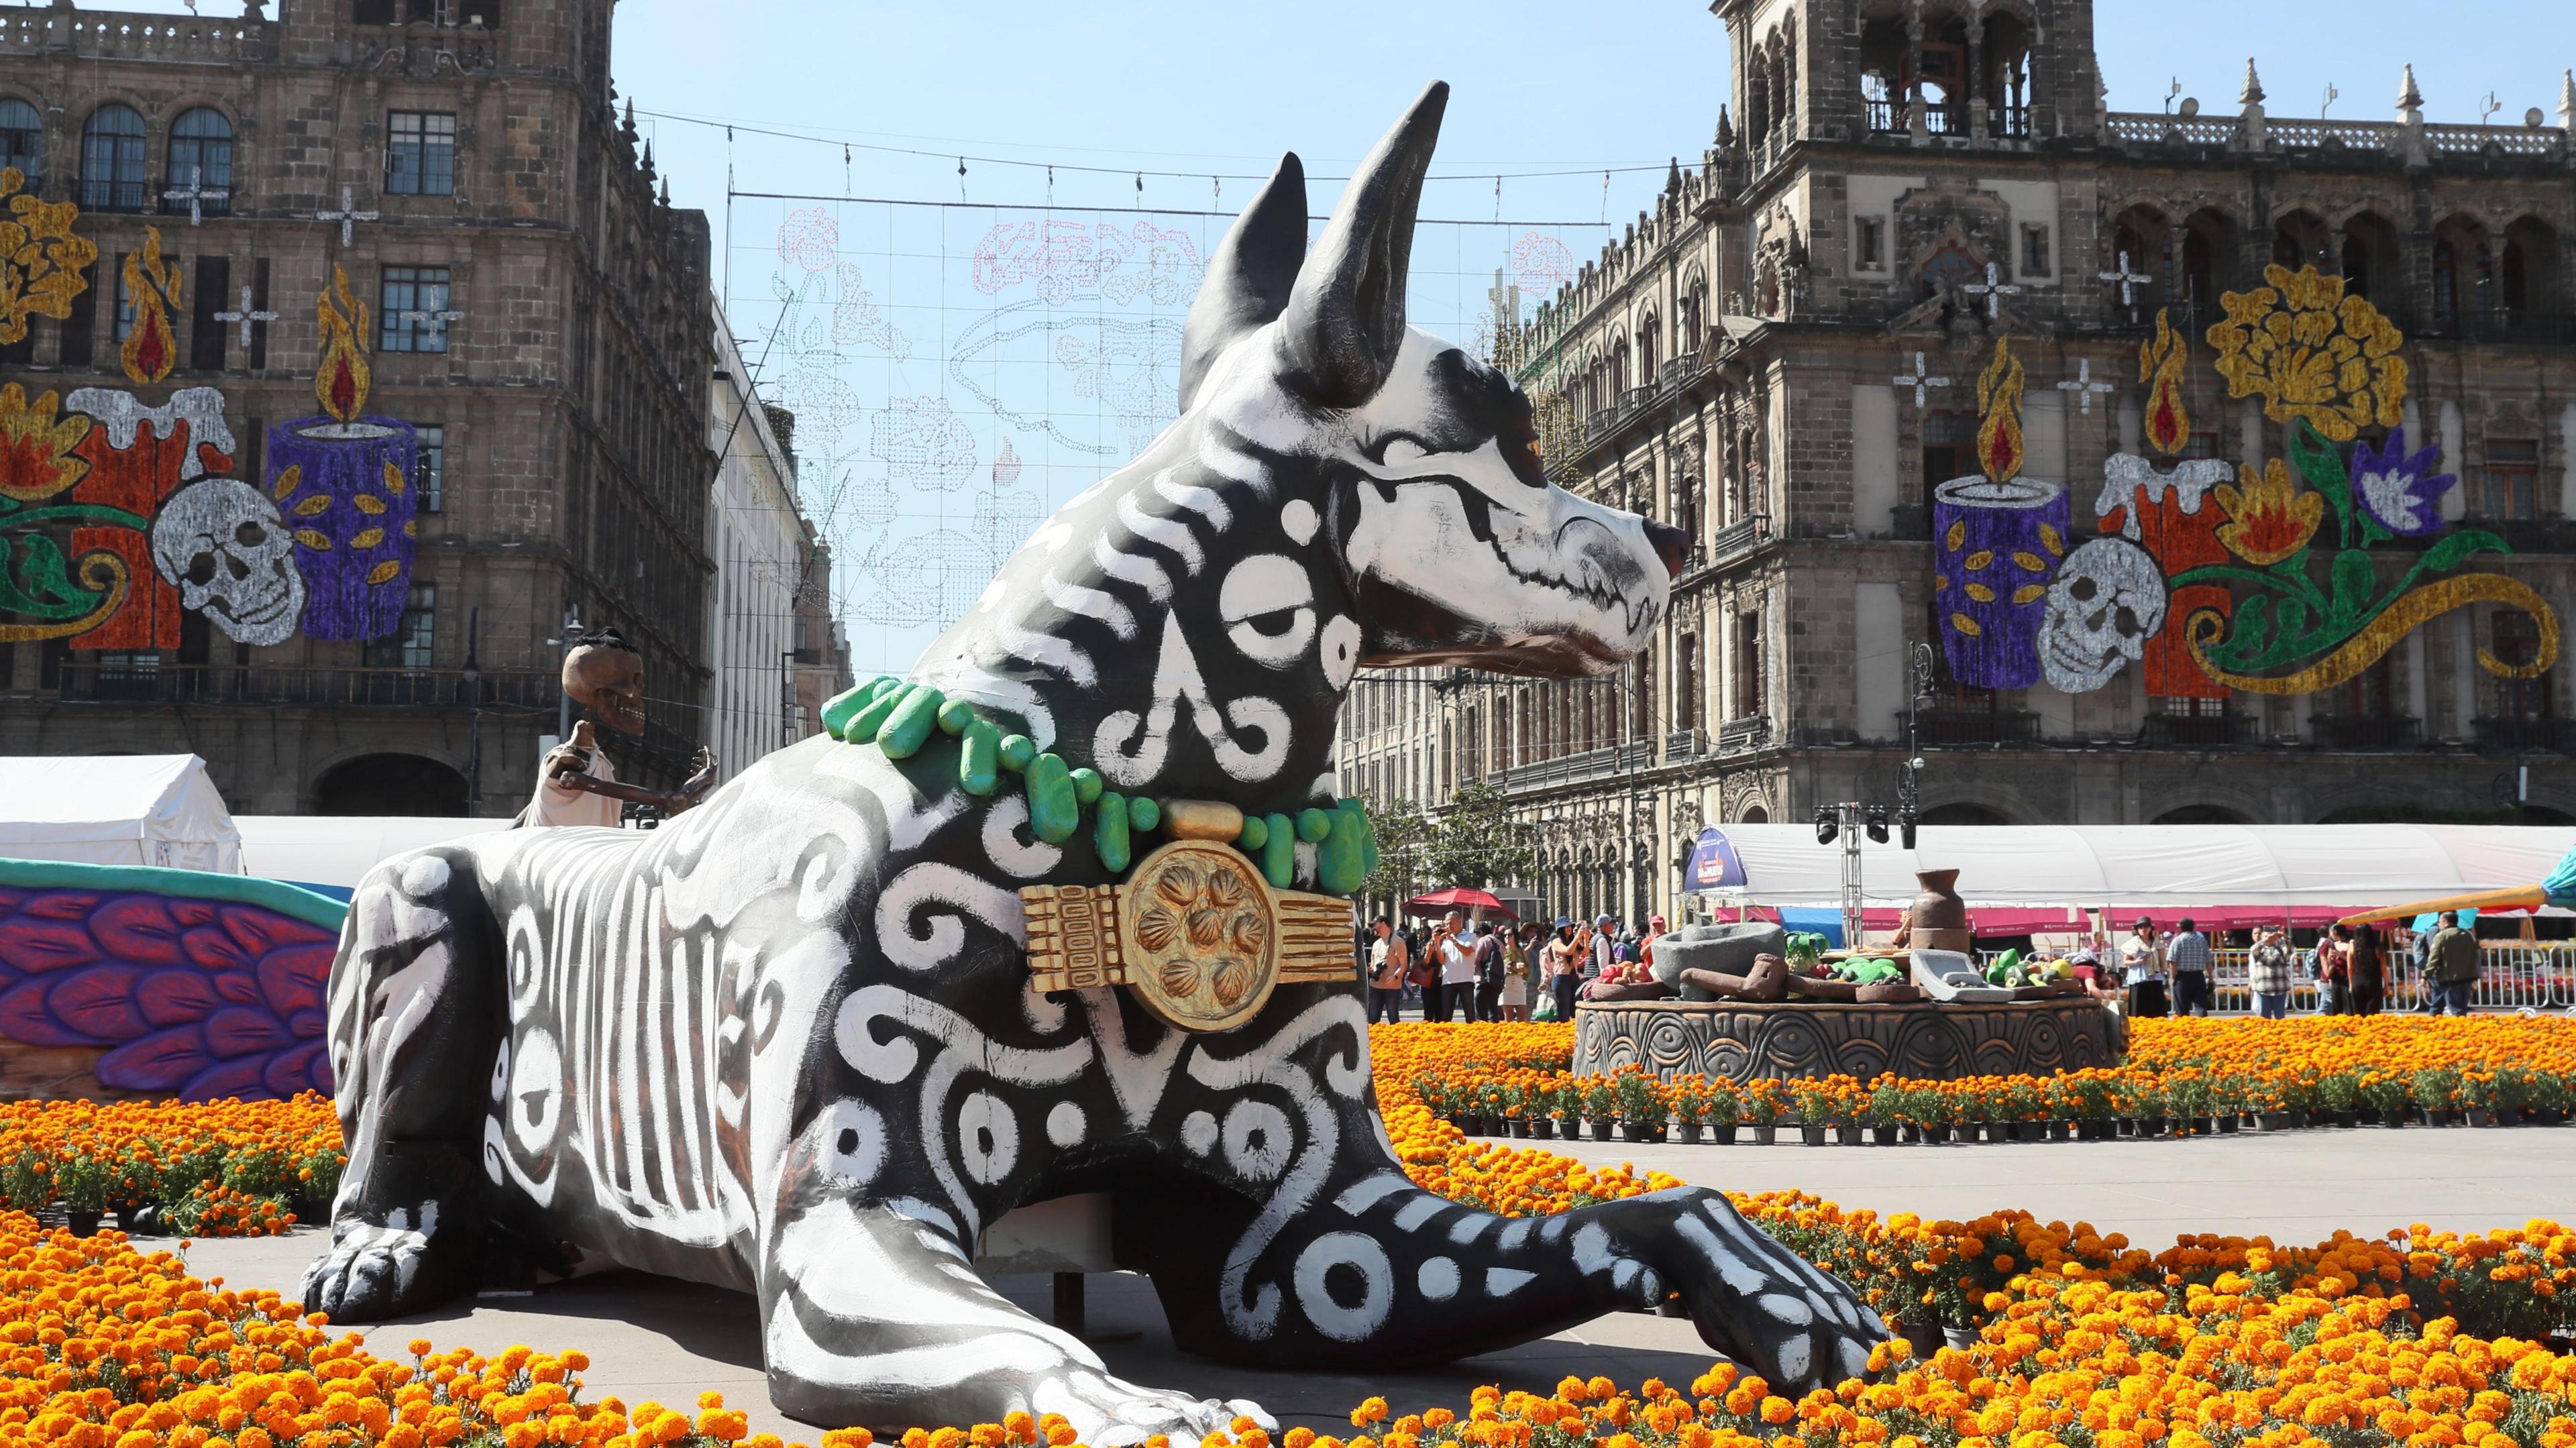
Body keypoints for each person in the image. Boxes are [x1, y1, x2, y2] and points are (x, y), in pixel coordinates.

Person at [523, 627, 717, 828]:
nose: (637, 695)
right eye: (629, 683)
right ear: (601, 693)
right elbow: (571, 778)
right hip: (566, 856)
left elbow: (538, 804)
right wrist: (672, 796)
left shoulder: (596, 761)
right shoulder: (568, 759)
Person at [2428, 909, 2480, 1015]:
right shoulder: (2469, 934)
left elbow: (2434, 957)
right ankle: (2463, 1027)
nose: (2439, 924)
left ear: (2446, 922)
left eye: (2440, 921)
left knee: (2455, 1008)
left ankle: (2459, 1030)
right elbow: (2476, 955)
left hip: (2450, 977)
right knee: (2462, 1008)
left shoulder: (2441, 936)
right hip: (2467, 977)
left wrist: (2426, 974)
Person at [1430, 911, 1478, 1021]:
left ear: (1460, 922)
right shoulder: (1445, 940)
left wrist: (1452, 939)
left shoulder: (1470, 936)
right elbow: (1442, 960)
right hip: (1448, 981)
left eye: (1451, 923)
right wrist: (1437, 942)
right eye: (1446, 924)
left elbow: (1467, 952)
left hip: (1465, 979)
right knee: (1446, 1017)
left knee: (1470, 1016)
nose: (1448, 926)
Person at [2118, 916, 2167, 1018]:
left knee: (2156, 1007)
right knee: (2139, 1006)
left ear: (2150, 928)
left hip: (2155, 978)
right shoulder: (2133, 943)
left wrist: (2162, 974)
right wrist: (2136, 962)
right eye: (2140, 927)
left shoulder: (2157, 943)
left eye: (2145, 926)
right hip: (2139, 978)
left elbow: (2163, 961)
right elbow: (2125, 962)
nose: (2143, 929)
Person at [2167, 917, 2213, 1017]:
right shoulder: (2202, 940)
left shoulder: (2177, 941)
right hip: (2199, 976)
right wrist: (2211, 978)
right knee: (2201, 1006)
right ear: (2193, 927)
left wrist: (2173, 977)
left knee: (2182, 1008)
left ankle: (2184, 1028)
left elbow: (2172, 961)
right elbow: (2209, 961)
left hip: (2182, 977)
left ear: (2181, 927)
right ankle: (2203, 1026)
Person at [1365, 917, 1409, 1025]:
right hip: (1375, 986)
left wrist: (1396, 977)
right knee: (1372, 1019)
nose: (1373, 929)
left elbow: (1404, 964)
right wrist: (1370, 969)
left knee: (1393, 1017)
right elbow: (1373, 965)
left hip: (1392, 987)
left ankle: (1396, 1040)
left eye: (1374, 925)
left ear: (1383, 924)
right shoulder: (1376, 943)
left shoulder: (1398, 941)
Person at [2247, 926, 2296, 1019]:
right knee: (2264, 1018)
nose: (2270, 938)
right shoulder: (2259, 950)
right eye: (2266, 936)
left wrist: (2285, 937)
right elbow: (2253, 950)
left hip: (2280, 989)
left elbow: (2290, 951)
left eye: (2272, 936)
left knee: (2280, 1018)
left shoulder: (2280, 949)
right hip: (2263, 988)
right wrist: (2265, 940)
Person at [1545, 918, 1584, 1021]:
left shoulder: (1573, 941)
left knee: (1576, 1008)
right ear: (1560, 929)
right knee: (1563, 1012)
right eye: (1566, 927)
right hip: (1562, 978)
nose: (1569, 929)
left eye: (1570, 926)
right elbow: (1568, 951)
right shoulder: (1556, 941)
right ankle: (1561, 1033)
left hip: (1574, 977)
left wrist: (1587, 939)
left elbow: (1585, 953)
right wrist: (1577, 937)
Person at [1497, 924, 1534, 1022]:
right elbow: (1497, 968)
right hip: (1506, 984)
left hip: (1519, 983)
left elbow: (1528, 970)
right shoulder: (1502, 951)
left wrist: (1523, 970)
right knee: (1508, 1018)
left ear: (1515, 937)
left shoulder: (1521, 952)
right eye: (1505, 936)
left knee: (1522, 1018)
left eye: (1510, 935)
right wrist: (1506, 967)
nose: (1507, 937)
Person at [2349, 922, 2386, 1016]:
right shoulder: (2377, 947)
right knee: (2372, 1013)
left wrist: (2350, 984)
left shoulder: (2353, 946)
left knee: (2358, 1013)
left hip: (2357, 980)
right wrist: (2386, 984)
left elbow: (2350, 967)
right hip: (2374, 980)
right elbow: (2383, 967)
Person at [1472, 920, 1507, 1022]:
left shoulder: (1483, 941)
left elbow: (1476, 960)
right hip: (1497, 980)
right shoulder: (1499, 942)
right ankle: (1495, 1034)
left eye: (1476, 934)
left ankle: (1483, 1035)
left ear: (1481, 932)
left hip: (1484, 980)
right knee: (1493, 1012)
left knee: (1481, 1014)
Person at [2314, 924, 2351, 1015]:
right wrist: (2330, 959)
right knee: (2334, 1005)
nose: (2330, 934)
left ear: (2336, 932)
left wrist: (2340, 955)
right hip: (2335, 977)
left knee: (2348, 1005)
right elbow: (2325, 961)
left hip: (2346, 977)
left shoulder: (2350, 944)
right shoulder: (2331, 944)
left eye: (2331, 932)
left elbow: (2352, 961)